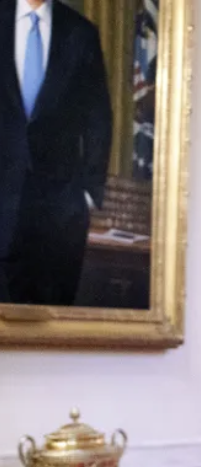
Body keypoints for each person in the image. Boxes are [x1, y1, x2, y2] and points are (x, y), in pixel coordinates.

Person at [0, 0, 112, 305]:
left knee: (51, 334)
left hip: (59, 219)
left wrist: (88, 194)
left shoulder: (80, 33)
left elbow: (97, 117)